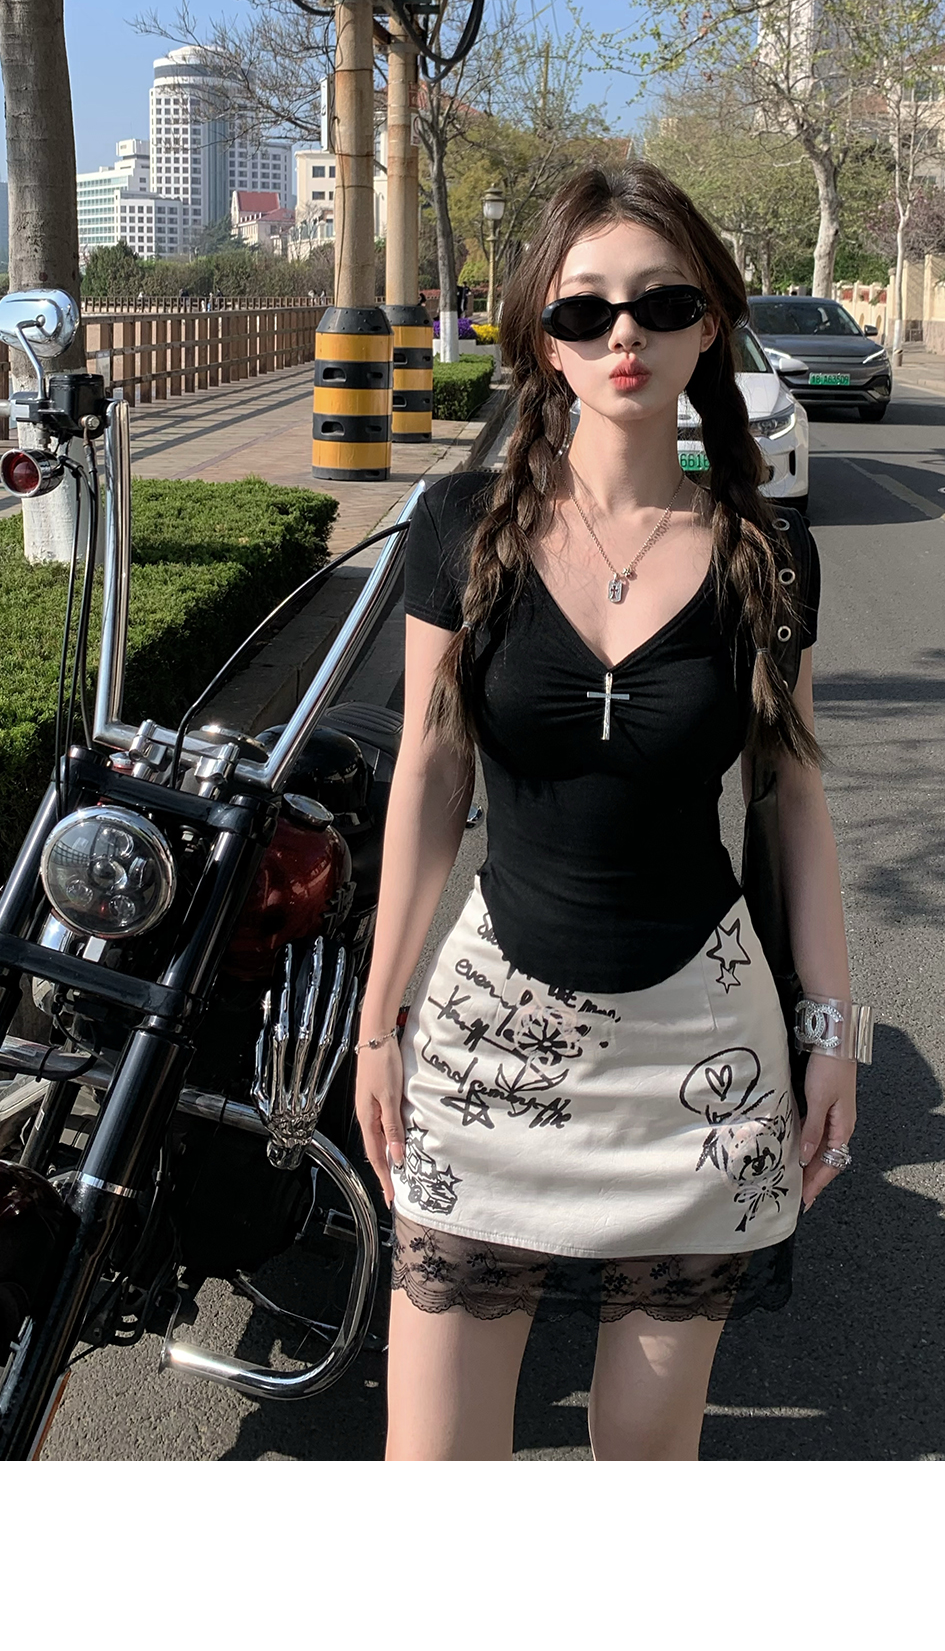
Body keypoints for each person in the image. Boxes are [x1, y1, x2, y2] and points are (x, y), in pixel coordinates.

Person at [355, 162, 865, 1461]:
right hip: (489, 1041)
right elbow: (430, 780)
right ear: (543, 336)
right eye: (585, 310)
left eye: (661, 302)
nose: (622, 334)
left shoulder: (767, 556)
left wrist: (831, 1030)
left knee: (645, 1461)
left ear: (709, 326)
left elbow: (793, 799)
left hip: (700, 1058)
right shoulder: (460, 528)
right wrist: (378, 1018)